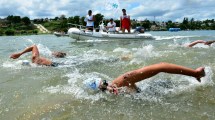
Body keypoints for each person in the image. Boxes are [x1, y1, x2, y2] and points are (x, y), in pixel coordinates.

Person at [88, 62, 205, 95]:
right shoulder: (116, 87)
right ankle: (195, 73)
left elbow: (102, 85)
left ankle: (195, 73)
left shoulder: (119, 83)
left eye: (105, 83)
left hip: (126, 80)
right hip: (131, 85)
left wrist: (107, 87)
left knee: (160, 67)